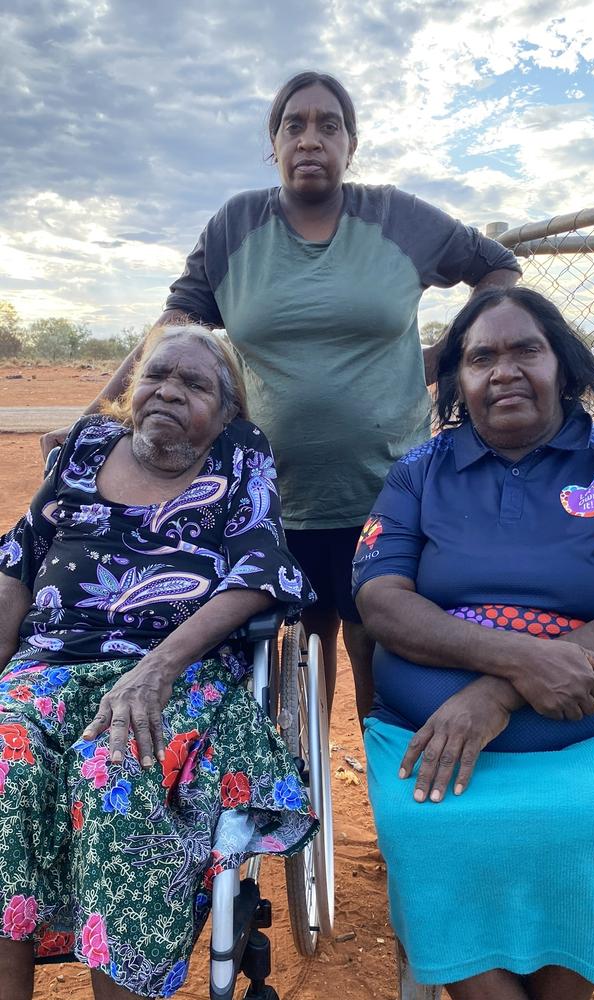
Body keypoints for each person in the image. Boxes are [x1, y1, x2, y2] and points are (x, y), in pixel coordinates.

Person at [40, 71, 521, 724]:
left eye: (329, 124)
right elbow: (173, 329)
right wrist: (93, 421)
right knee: (304, 648)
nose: (311, 138)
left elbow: (497, 265)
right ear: (274, 144)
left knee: (379, 645)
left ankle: (389, 803)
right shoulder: (235, 226)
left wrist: (449, 357)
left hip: (391, 490)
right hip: (275, 495)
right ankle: (312, 804)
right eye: (294, 124)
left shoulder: (398, 218)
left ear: (351, 143)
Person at [0, 324, 318, 1000]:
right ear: (132, 388)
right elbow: (20, 558)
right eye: (156, 375)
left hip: (177, 673)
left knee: (112, 772)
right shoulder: (85, 447)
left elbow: (263, 567)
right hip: (46, 665)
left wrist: (158, 666)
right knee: (5, 760)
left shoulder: (240, 454)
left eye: (195, 384)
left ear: (226, 410)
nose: (169, 390)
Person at [352, 287, 594, 1000]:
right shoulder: (418, 473)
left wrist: (495, 696)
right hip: (428, 735)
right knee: (432, 834)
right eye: (481, 357)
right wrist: (516, 659)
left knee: (584, 826)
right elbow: (380, 600)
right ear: (459, 382)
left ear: (565, 368)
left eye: (526, 351)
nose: (504, 370)